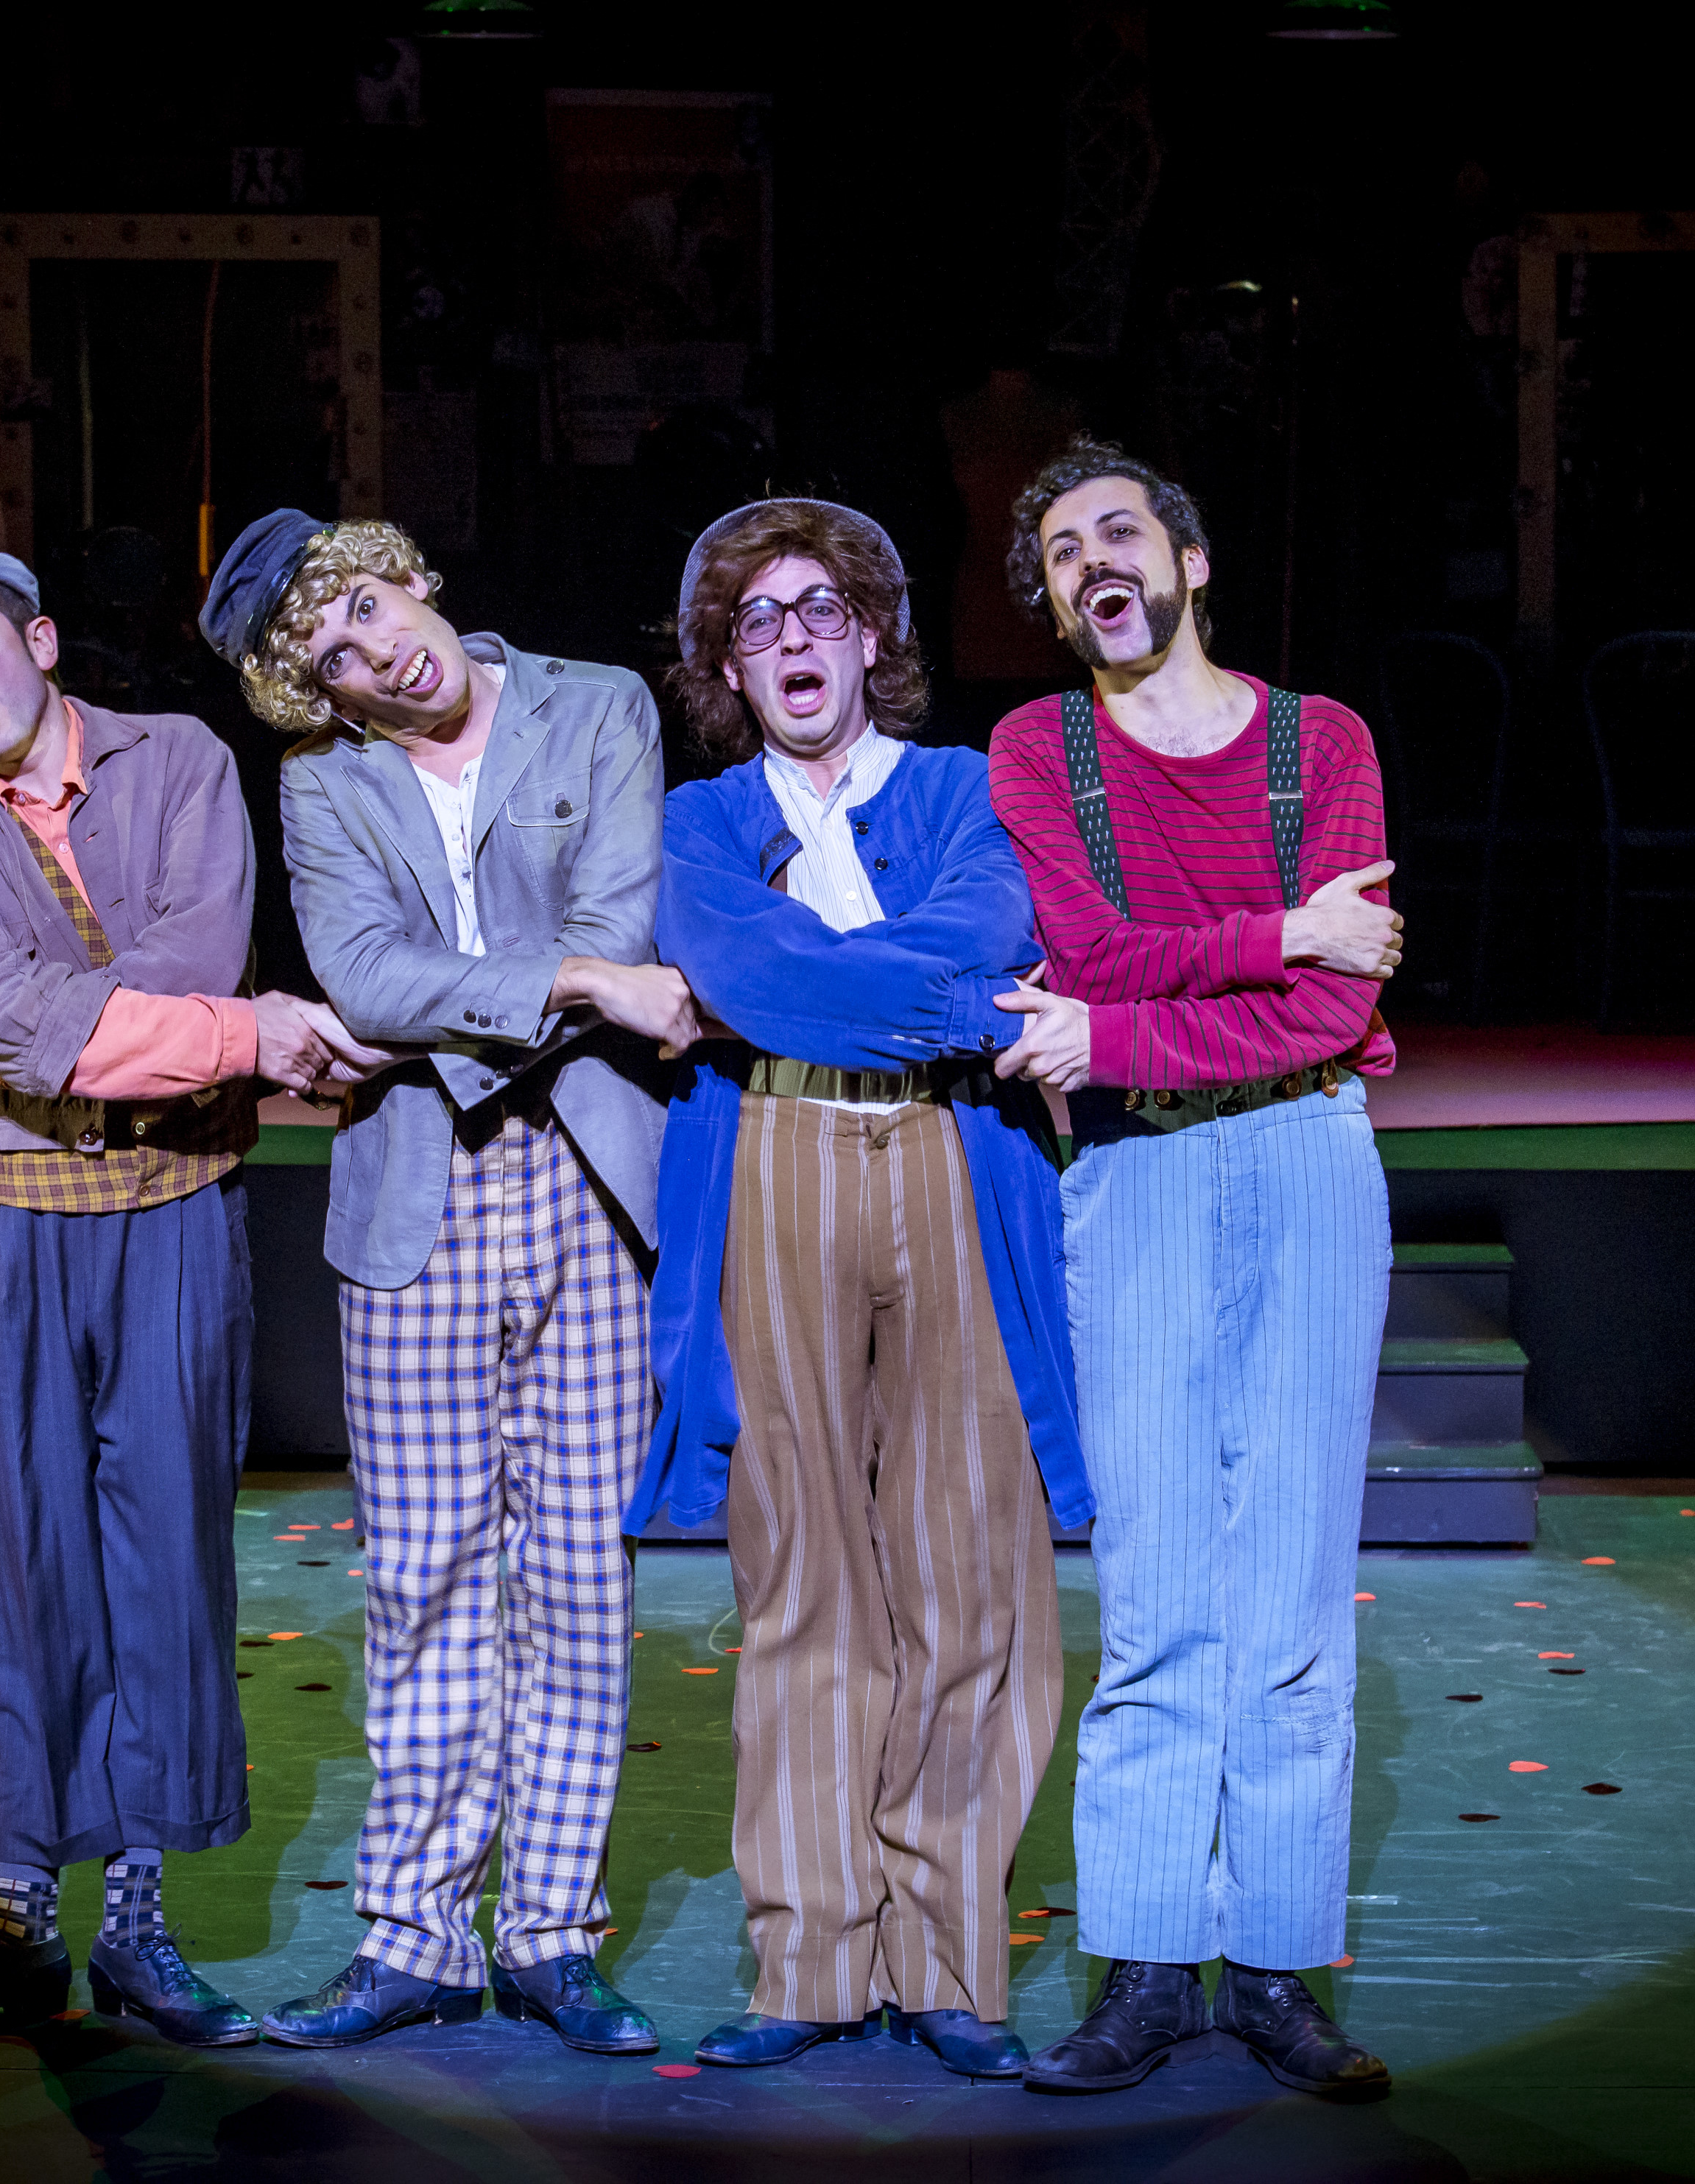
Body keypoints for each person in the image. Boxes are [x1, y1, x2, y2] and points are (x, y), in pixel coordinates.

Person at [0, 549, 377, 2050]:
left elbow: (178, 963)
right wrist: (235, 1033)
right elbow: (20, 1026)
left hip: (176, 1211)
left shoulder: (181, 760)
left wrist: (74, 1026)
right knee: (26, 1559)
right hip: (12, 1220)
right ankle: (25, 1911)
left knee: (167, 1556)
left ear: (37, 639)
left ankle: (138, 1917)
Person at [203, 510, 697, 2055]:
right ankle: (412, 1935)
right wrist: (577, 983)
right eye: (330, 657)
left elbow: (622, 916)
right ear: (323, 697)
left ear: (412, 577)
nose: (370, 652)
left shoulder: (597, 705)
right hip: (414, 1200)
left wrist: (461, 1015)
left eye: (364, 606)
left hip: (592, 1181)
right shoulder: (323, 782)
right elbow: (363, 975)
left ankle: (550, 1935)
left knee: (578, 1576)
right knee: (422, 1579)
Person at [637, 497, 1088, 2083]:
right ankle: (812, 1963)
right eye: (756, 621)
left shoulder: (961, 788)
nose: (792, 641)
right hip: (777, 1156)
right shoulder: (700, 820)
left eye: (820, 609)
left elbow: (992, 921)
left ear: (873, 635)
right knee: (804, 1567)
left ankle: (949, 1961)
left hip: (953, 1158)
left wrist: (841, 992)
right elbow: (745, 970)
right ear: (724, 664)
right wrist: (953, 1005)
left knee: (972, 1567)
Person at [982, 437, 1405, 2100]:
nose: (1094, 558)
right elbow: (1088, 957)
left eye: (1120, 529)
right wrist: (1282, 932)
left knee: (1290, 1590)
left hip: (1307, 1156)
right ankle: (1149, 1965)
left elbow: (1336, 1012)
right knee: (1158, 1587)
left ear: (1189, 560)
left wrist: (1123, 1030)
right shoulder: (1040, 748)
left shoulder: (1323, 742)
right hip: (1140, 1170)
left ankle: (1279, 1966)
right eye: (1061, 550)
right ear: (1053, 602)